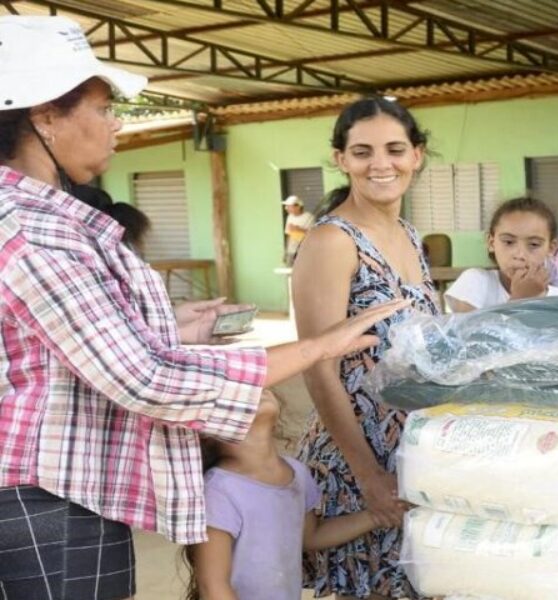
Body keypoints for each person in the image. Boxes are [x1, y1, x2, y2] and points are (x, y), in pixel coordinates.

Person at [0, 16, 404, 600]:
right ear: (45, 116)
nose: (115, 123)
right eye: (102, 106)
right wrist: (319, 345)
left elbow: (64, 345)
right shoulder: (32, 230)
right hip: (45, 497)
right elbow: (144, 377)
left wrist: (166, 325)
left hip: (66, 490)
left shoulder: (53, 220)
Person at [291, 96, 441, 600]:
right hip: (357, 459)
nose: (381, 164)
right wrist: (368, 474)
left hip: (409, 458)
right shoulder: (333, 241)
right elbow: (318, 368)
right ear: (341, 159)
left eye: (395, 149)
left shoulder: (408, 234)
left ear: (416, 155)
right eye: (363, 152)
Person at [184, 391, 395, 600]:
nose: (255, 389)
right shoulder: (218, 490)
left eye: (257, 383)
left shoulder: (297, 473)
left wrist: (375, 517)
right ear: (204, 428)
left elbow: (312, 536)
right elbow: (212, 586)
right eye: (236, 389)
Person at [445, 196, 558, 312]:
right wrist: (519, 300)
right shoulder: (476, 282)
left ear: (551, 248)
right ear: (491, 243)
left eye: (534, 244)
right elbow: (463, 333)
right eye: (509, 242)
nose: (520, 255)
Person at [283, 195, 315, 266]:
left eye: (289, 206)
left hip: (305, 251)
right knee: (290, 272)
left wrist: (299, 229)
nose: (286, 208)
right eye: (286, 206)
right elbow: (288, 235)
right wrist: (286, 251)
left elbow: (314, 234)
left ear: (297, 206)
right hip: (292, 250)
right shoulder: (289, 217)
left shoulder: (309, 217)